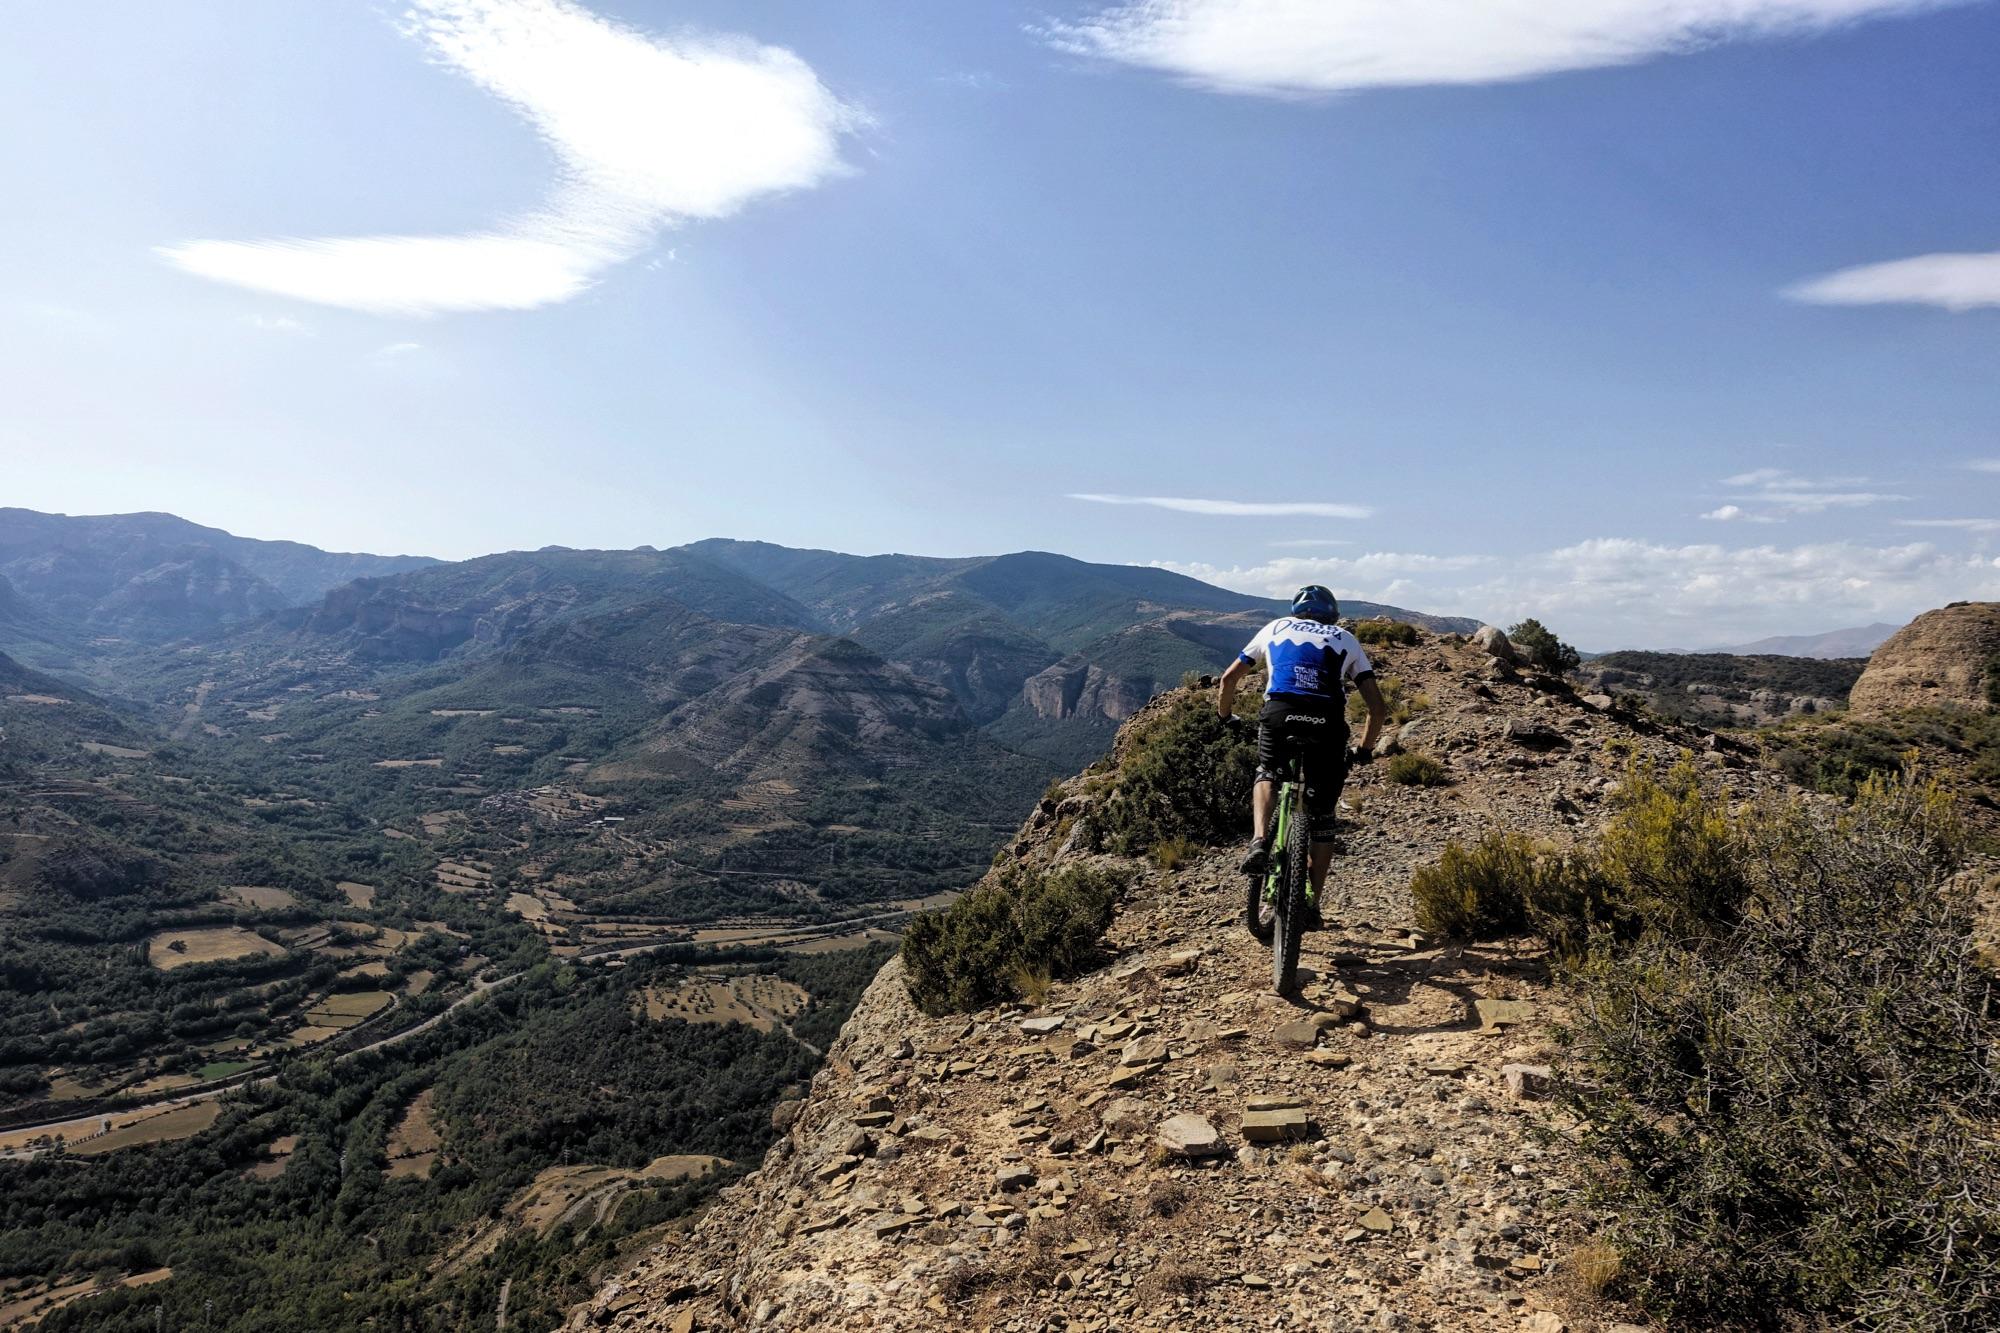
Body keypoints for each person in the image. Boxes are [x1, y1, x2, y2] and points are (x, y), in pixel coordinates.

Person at [1215, 585, 1387, 930]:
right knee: (1322, 818)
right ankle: (1310, 903)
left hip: (1280, 714)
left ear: (1296, 610)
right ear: (1333, 614)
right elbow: (1378, 708)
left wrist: (1225, 717)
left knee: (1267, 772)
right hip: (1327, 723)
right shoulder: (1346, 638)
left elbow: (1228, 679)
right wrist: (1365, 751)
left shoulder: (1275, 628)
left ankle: (1261, 840)